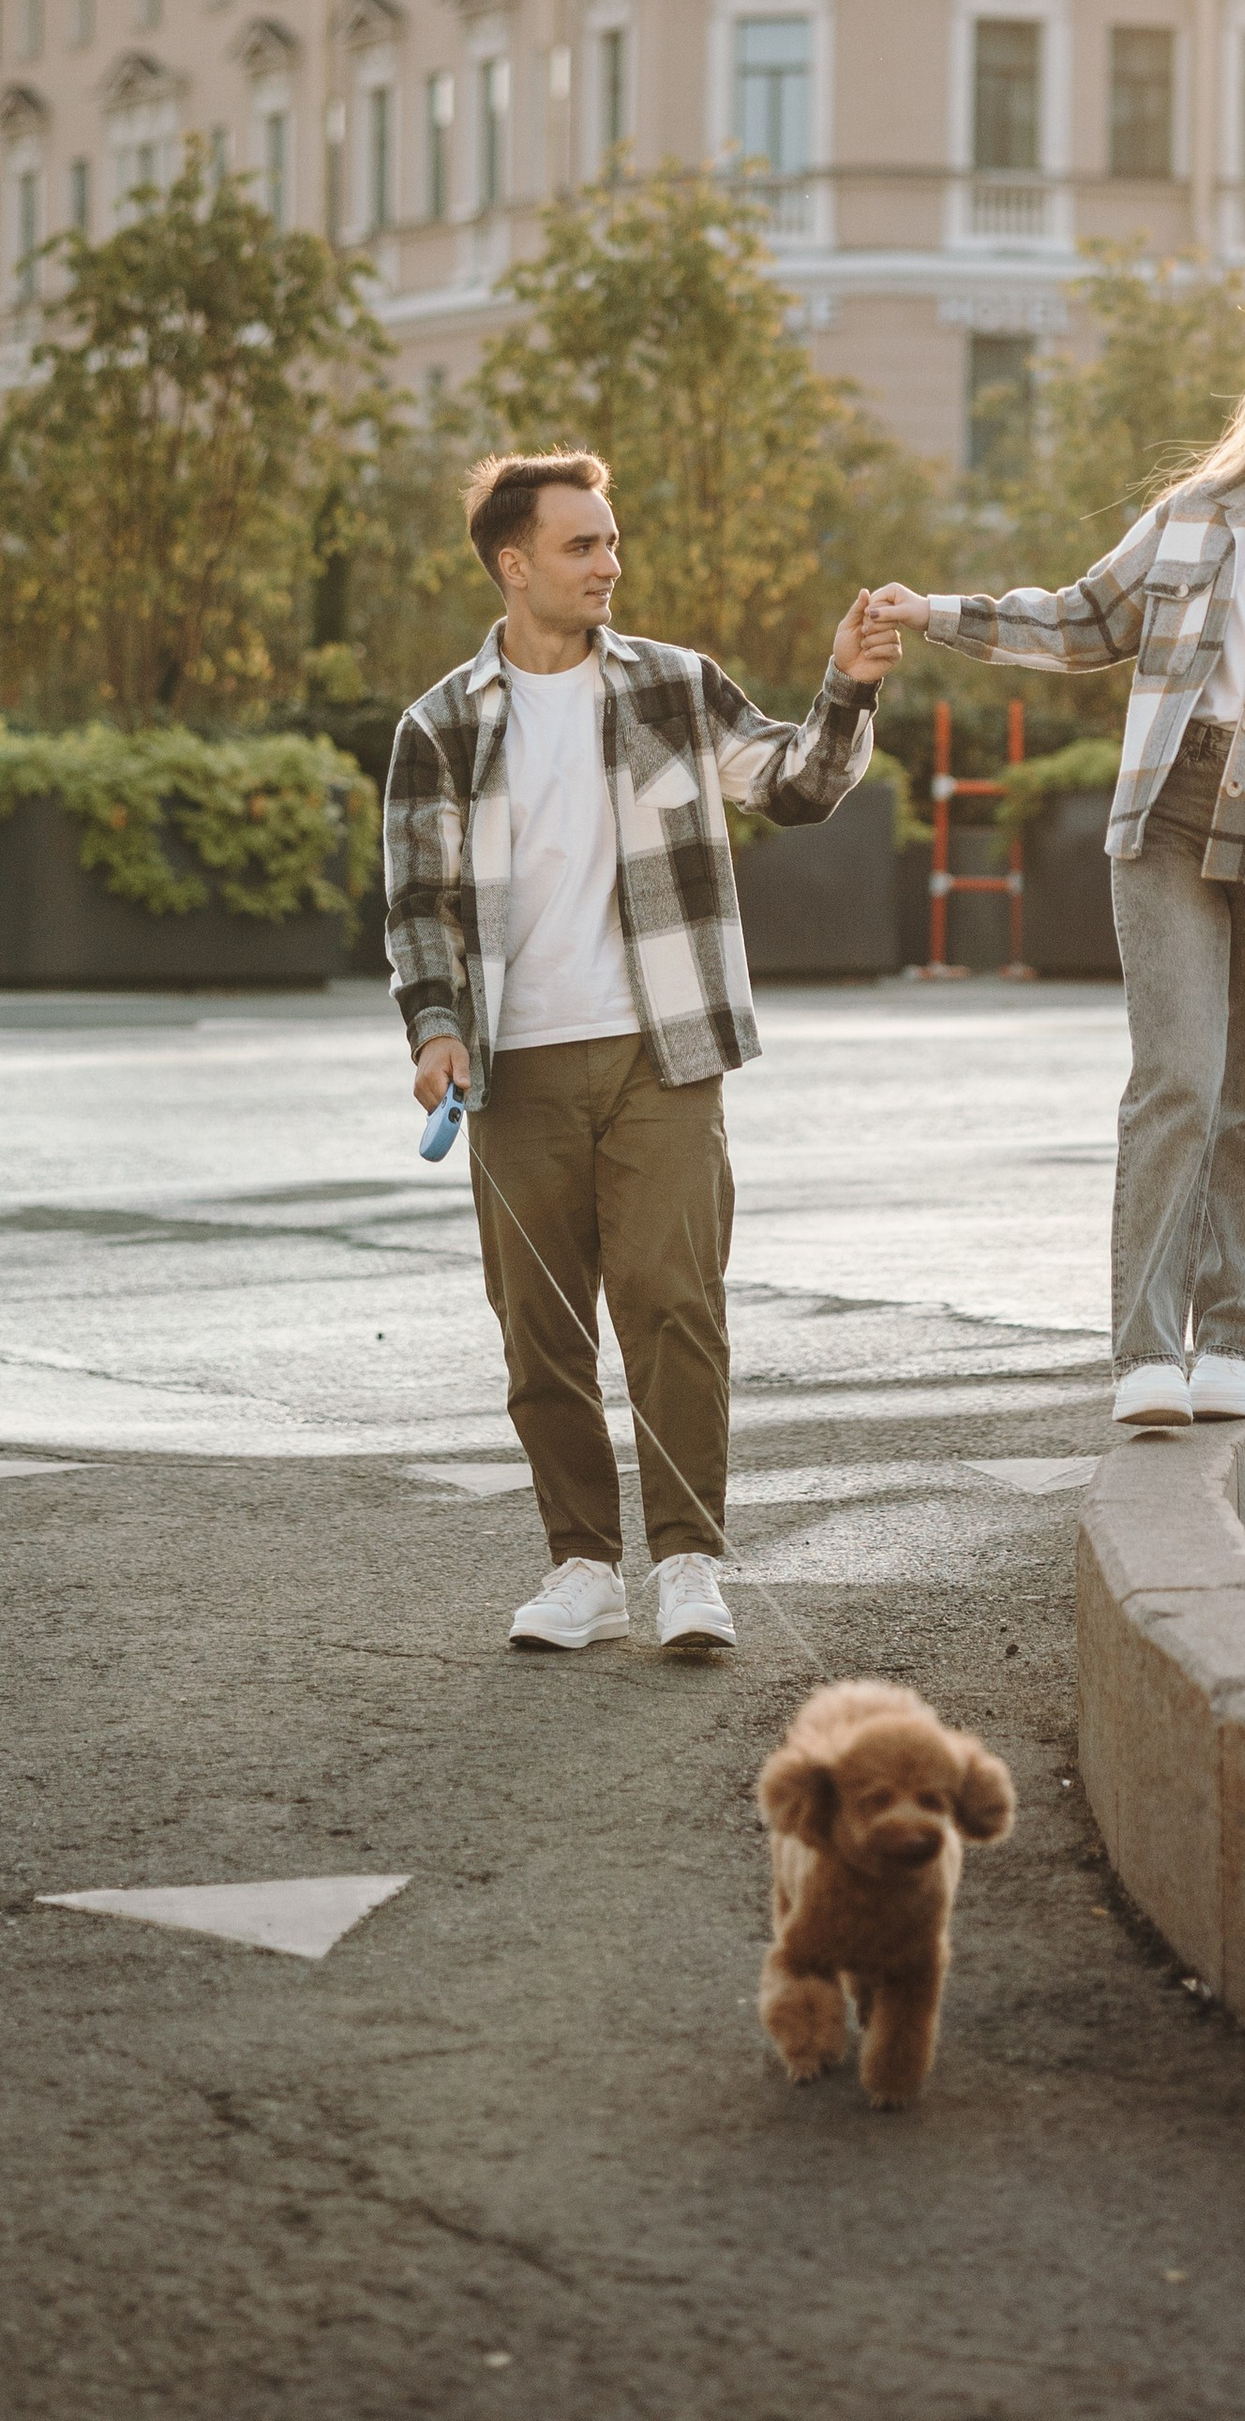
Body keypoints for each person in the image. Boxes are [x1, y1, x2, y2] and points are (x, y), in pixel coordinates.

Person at [871, 306, 1245, 1434]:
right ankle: (1149, 1350)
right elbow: (1081, 622)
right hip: (1168, 815)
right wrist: (939, 614)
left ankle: (1236, 1339)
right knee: (1178, 1083)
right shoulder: (1195, 516)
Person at [385, 446, 900, 1656]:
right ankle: (581, 1566)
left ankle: (686, 1562)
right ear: (514, 565)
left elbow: (796, 785)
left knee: (674, 1307)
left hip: (662, 1051)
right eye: (581, 544)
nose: (608, 563)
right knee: (541, 1333)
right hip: (515, 1067)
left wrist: (846, 684)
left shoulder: (675, 687)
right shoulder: (440, 725)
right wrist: (437, 1028)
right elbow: (419, 903)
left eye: (611, 540)